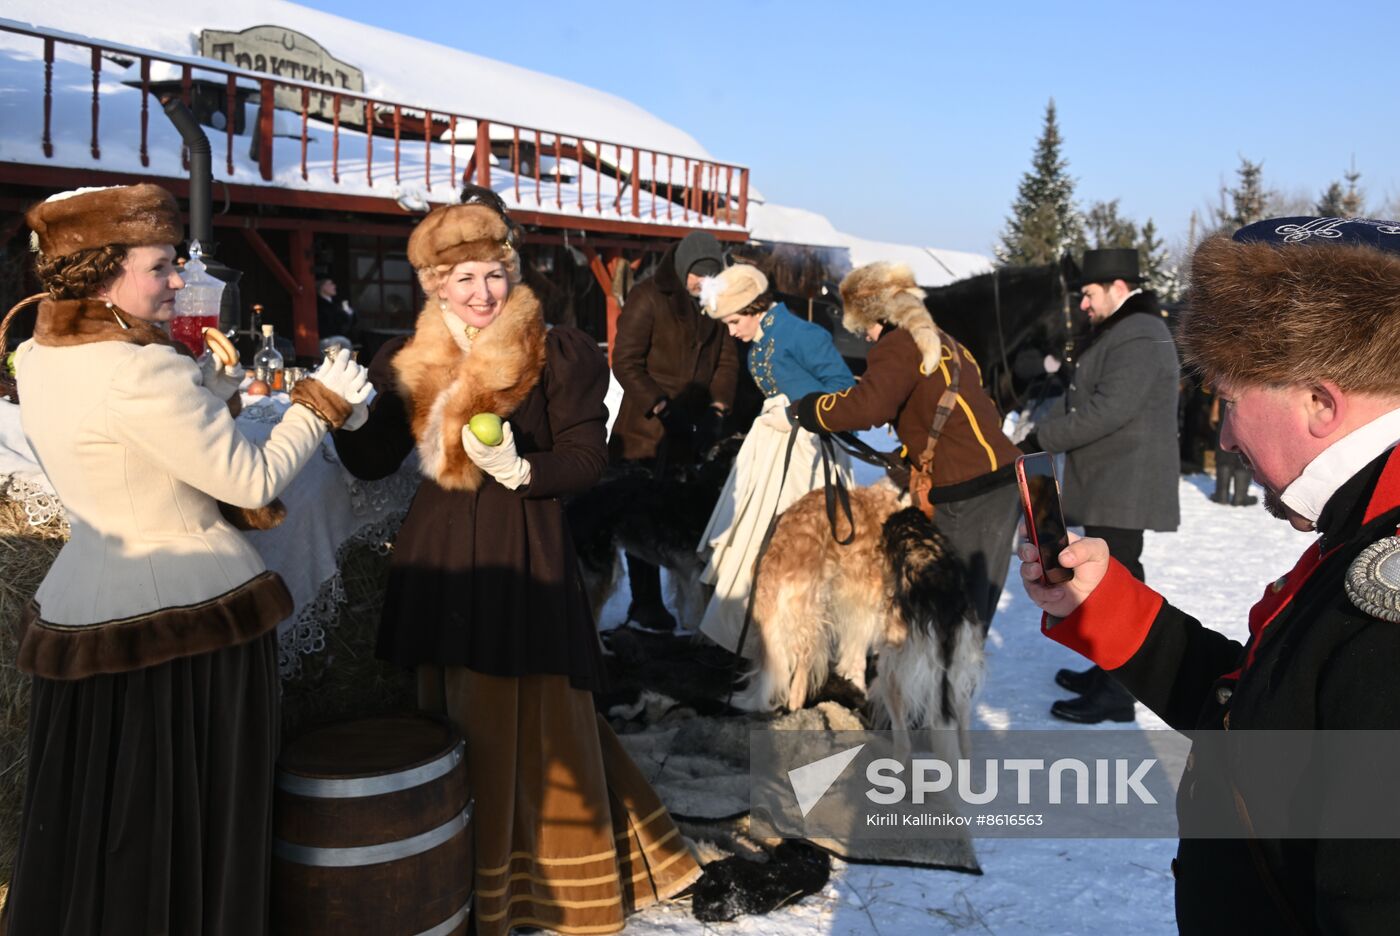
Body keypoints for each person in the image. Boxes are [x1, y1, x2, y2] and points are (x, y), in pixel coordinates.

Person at [2, 183, 371, 935]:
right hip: (188, 627)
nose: (178, 281)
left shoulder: (39, 353)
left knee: (106, 819)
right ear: (103, 268)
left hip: (86, 604)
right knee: (182, 821)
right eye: (161, 265)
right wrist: (317, 403)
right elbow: (251, 480)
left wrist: (210, 397)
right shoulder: (144, 369)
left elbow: (128, 449)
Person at [1019, 215, 1400, 932]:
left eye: (1229, 402)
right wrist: (1104, 604)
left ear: (1321, 402)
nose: (1221, 435)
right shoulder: (1366, 526)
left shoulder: (1388, 606)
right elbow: (1263, 720)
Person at [331, 201, 701, 935]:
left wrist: (522, 470)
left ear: (512, 271)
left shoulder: (558, 352)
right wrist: (342, 414)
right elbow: (374, 464)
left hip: (522, 553)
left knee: (538, 726)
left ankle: (547, 886)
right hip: (442, 558)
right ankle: (457, 871)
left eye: (492, 274)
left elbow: (587, 459)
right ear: (435, 284)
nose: (480, 292)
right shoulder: (409, 359)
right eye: (462, 277)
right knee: (455, 724)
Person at [792, 261, 1023, 632]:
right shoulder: (944, 340)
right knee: (973, 609)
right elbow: (972, 412)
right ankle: (954, 682)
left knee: (955, 616)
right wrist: (911, 451)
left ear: (879, 315)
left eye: (863, 326)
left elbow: (869, 406)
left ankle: (947, 687)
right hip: (1001, 482)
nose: (865, 337)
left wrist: (812, 409)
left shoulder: (898, 344)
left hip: (970, 491)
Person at [1026, 247, 1180, 724]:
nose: (1085, 305)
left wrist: (1041, 437)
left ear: (1117, 287)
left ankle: (1118, 692)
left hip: (1126, 484)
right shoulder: (1127, 328)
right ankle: (1108, 671)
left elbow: (1108, 410)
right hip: (1113, 480)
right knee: (1108, 581)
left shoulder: (1140, 331)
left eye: (1089, 294)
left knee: (1122, 583)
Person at [694, 263, 855, 653]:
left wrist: (798, 412)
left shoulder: (803, 334)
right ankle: (753, 645)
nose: (731, 331)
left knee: (792, 550)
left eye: (733, 321)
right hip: (768, 450)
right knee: (752, 544)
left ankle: (796, 648)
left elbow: (845, 390)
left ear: (754, 306)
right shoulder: (762, 336)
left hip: (807, 454)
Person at [609, 230, 740, 630]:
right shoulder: (649, 296)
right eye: (697, 280)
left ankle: (688, 605)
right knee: (640, 518)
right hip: (645, 428)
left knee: (682, 522)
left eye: (709, 280)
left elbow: (727, 363)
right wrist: (662, 407)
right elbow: (625, 361)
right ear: (682, 270)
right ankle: (645, 603)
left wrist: (717, 410)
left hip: (692, 431)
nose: (702, 288)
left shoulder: (716, 304)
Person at [1210, 391, 1257, 506]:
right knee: (1245, 437)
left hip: (1227, 388)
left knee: (1225, 429)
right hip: (1251, 389)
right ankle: (1240, 496)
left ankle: (1221, 494)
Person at [316, 276, 355, 340]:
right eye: (331, 284)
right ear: (323, 287)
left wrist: (349, 313)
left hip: (343, 337)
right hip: (328, 339)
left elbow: (351, 319)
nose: (334, 286)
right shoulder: (318, 305)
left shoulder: (338, 302)